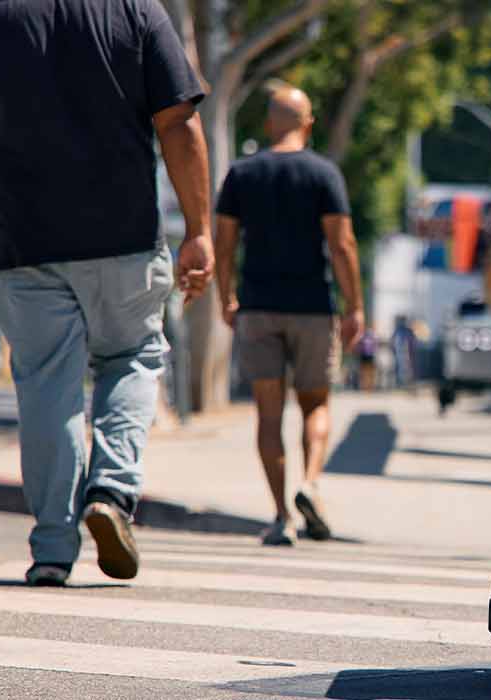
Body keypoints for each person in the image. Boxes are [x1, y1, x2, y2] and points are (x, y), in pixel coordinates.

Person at [0, 0, 213, 586]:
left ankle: (53, 549)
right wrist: (200, 231)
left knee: (48, 387)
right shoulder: (137, 11)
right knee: (132, 357)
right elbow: (179, 123)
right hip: (124, 244)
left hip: (25, 248)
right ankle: (111, 490)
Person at [214, 87, 364, 547]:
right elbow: (341, 246)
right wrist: (354, 305)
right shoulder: (323, 174)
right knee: (316, 405)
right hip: (313, 308)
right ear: (309, 123)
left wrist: (227, 297)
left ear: (268, 125)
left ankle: (281, 516)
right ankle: (310, 483)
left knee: (268, 414)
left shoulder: (241, 174)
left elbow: (224, 244)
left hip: (258, 307)